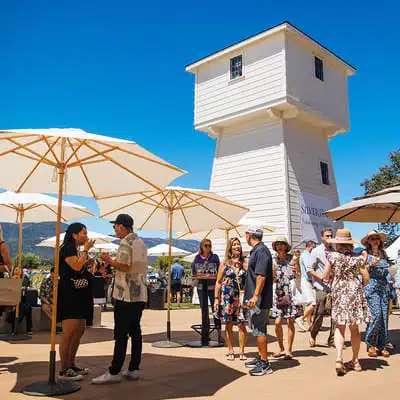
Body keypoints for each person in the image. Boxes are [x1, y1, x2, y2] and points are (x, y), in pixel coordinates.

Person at [92, 214, 148, 384]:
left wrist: (109, 260)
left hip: (126, 295)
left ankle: (114, 370)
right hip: (140, 294)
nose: (114, 229)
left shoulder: (125, 243)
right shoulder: (140, 242)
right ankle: (133, 368)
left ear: (123, 227)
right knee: (135, 332)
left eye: (115, 226)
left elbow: (125, 266)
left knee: (121, 334)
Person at [323, 229, 370, 375]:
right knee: (354, 328)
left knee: (340, 326)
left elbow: (325, 275)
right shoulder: (358, 258)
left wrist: (332, 278)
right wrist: (359, 286)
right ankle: (355, 361)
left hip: (339, 291)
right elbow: (366, 277)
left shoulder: (332, 256)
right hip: (354, 290)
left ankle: (338, 358)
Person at [57, 223, 95, 381]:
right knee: (69, 331)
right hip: (69, 294)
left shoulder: (75, 250)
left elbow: (79, 269)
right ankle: (64, 369)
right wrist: (86, 250)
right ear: (74, 235)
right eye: (83, 233)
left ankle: (71, 364)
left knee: (80, 328)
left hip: (78, 294)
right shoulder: (66, 248)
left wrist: (89, 265)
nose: (86, 236)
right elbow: (76, 265)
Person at [243, 226, 274, 376]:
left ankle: (265, 364)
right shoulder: (257, 251)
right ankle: (261, 358)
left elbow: (261, 276)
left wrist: (255, 296)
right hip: (257, 297)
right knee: (256, 327)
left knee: (260, 329)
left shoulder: (261, 251)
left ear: (249, 235)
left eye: (246, 235)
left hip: (260, 299)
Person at [214, 237, 248, 361]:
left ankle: (242, 351)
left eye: (238, 244)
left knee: (242, 324)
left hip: (241, 297)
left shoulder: (245, 262)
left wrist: (243, 266)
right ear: (230, 247)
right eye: (234, 245)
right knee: (228, 324)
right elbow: (218, 282)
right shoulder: (224, 263)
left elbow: (251, 276)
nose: (236, 247)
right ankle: (230, 349)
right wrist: (216, 299)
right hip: (227, 297)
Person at [362, 231, 391, 358]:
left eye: (377, 238)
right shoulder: (365, 254)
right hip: (371, 286)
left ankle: (382, 345)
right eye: (372, 239)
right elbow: (361, 269)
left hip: (383, 287)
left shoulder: (383, 253)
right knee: (376, 315)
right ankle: (371, 343)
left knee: (384, 317)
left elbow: (388, 269)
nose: (375, 241)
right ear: (368, 241)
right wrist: (369, 265)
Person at [271, 236, 300, 360]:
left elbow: (298, 275)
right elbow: (272, 278)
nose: (280, 246)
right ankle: (281, 347)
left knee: (290, 321)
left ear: (286, 246)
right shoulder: (273, 260)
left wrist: (296, 264)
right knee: (277, 322)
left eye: (282, 244)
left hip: (290, 293)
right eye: (278, 244)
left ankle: (289, 349)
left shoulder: (292, 259)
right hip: (278, 293)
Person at [307, 228, 335, 347]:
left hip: (334, 287)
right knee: (319, 313)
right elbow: (310, 269)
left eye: (330, 236)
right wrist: (322, 278)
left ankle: (332, 339)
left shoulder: (335, 251)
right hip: (321, 286)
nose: (329, 238)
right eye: (327, 236)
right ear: (322, 237)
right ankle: (313, 334)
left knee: (336, 315)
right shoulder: (316, 251)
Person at [191, 239, 223, 343]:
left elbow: (218, 271)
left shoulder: (214, 257)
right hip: (201, 286)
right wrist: (199, 275)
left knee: (216, 309)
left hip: (213, 287)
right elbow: (194, 271)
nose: (208, 247)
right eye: (206, 245)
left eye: (210, 245)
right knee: (204, 310)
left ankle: (219, 334)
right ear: (201, 246)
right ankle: (205, 333)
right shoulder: (197, 258)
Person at [295, 240, 316, 331]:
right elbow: (309, 268)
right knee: (314, 303)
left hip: (307, 280)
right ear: (310, 246)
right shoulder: (306, 256)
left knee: (309, 303)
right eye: (313, 247)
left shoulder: (305, 255)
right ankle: (301, 318)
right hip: (307, 280)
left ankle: (310, 324)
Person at [40, 267, 62, 334]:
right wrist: (50, 304)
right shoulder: (45, 281)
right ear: (51, 273)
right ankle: (56, 325)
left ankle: (56, 326)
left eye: (57, 273)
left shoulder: (60, 282)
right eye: (54, 273)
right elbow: (41, 295)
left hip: (57, 302)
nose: (56, 275)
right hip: (47, 302)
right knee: (45, 308)